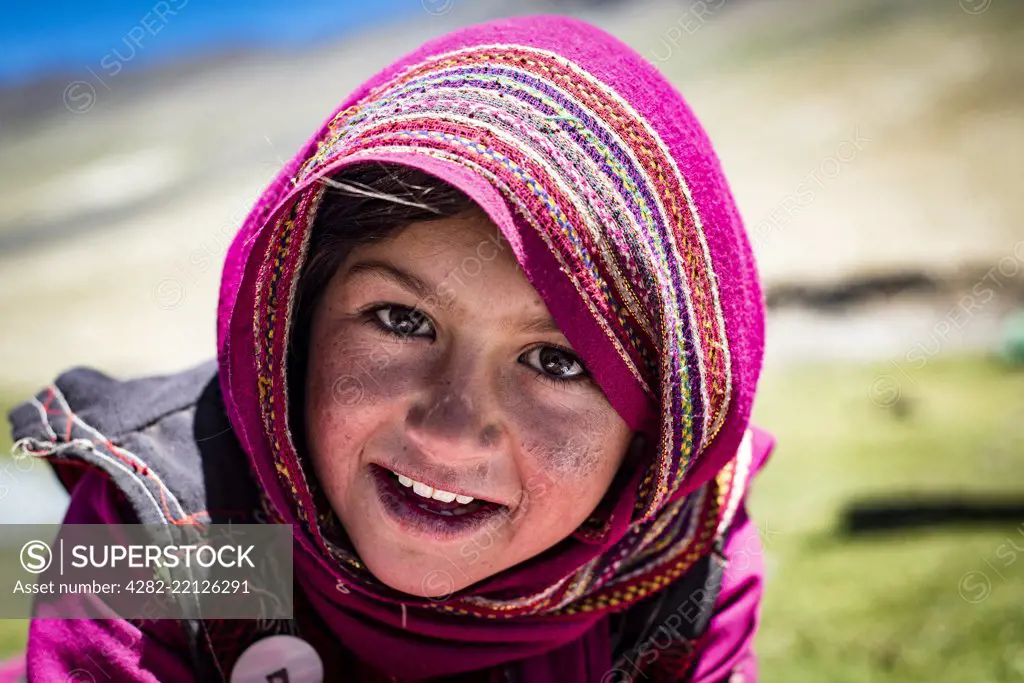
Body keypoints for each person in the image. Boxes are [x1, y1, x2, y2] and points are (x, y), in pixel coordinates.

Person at [3, 15, 774, 683]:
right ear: (293, 319)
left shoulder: (677, 556)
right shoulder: (169, 525)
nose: (448, 428)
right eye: (402, 320)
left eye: (558, 360)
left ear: (656, 433)